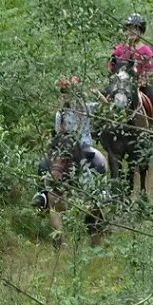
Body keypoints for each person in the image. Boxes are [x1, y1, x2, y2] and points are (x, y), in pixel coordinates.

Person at [32, 77, 106, 209]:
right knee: (42, 164)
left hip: (83, 146)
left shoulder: (87, 108)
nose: (66, 96)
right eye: (63, 92)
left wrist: (97, 94)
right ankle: (41, 194)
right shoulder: (60, 114)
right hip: (65, 146)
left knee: (98, 163)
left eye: (68, 92)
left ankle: (100, 192)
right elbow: (58, 134)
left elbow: (105, 107)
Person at [109, 13, 153, 112]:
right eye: (130, 28)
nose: (132, 31)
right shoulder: (118, 49)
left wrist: (143, 80)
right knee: (103, 96)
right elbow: (111, 67)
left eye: (136, 29)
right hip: (120, 85)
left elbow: (150, 69)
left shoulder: (146, 50)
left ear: (141, 32)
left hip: (139, 85)